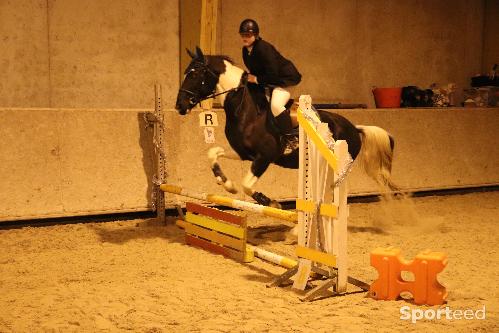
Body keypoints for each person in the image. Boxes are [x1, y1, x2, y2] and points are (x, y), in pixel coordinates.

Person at [239, 18, 302, 135]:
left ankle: (290, 136)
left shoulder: (264, 48)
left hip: (285, 79)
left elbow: (273, 75)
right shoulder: (245, 50)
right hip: (270, 81)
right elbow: (255, 72)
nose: (244, 38)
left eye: (248, 35)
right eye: (242, 35)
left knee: (276, 106)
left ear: (256, 35)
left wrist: (256, 79)